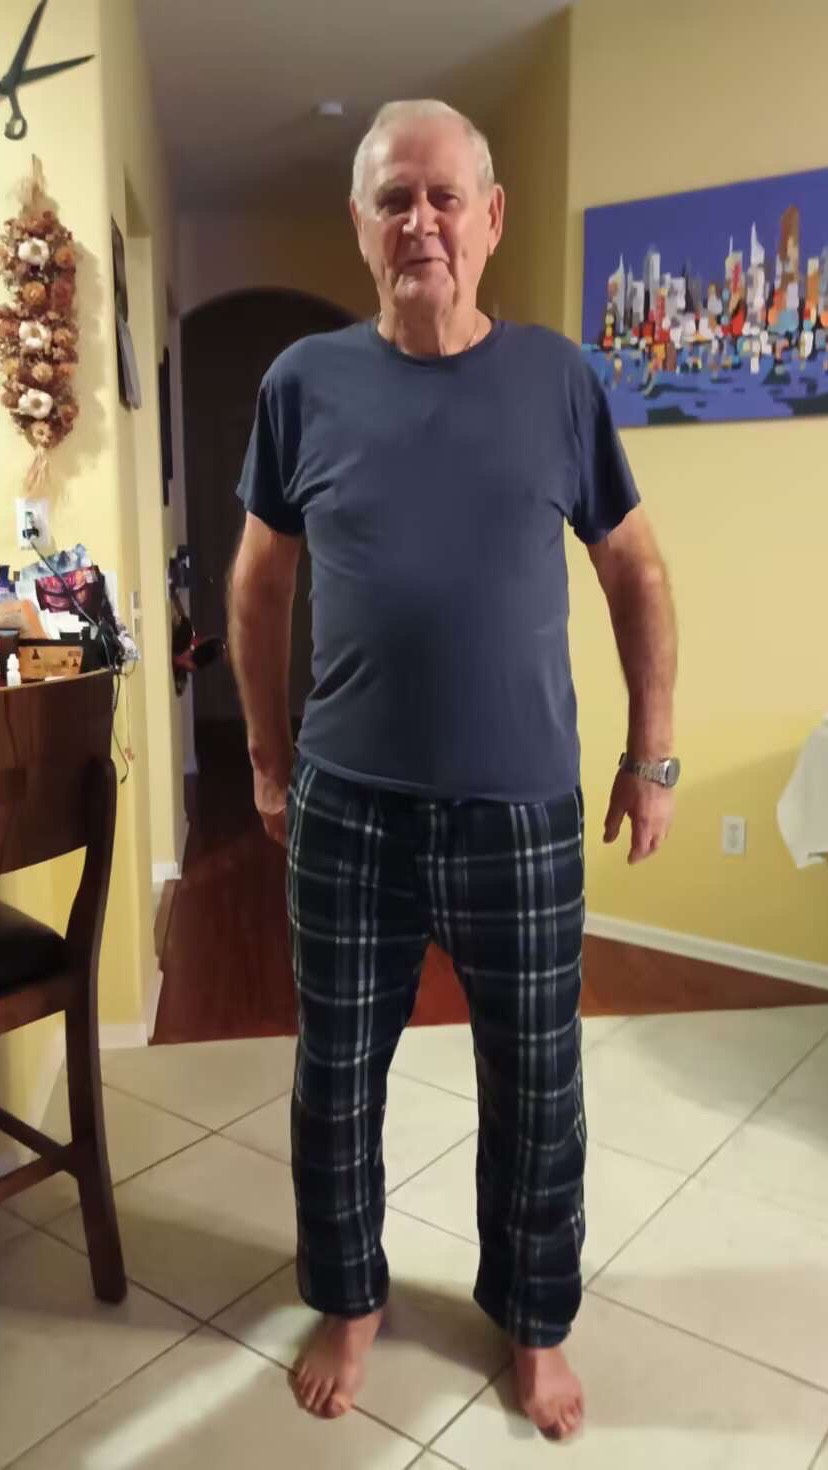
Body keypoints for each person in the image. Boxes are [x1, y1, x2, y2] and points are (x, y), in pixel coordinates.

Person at [228, 99, 678, 1442]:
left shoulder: (559, 380)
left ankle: (534, 1321)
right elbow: (257, 588)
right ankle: (348, 1299)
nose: (419, 220)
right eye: (393, 198)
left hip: (521, 811)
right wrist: (266, 756)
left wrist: (652, 754)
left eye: (442, 196)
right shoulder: (303, 382)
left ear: (489, 219)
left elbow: (636, 569)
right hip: (348, 808)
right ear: (361, 226)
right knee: (336, 1076)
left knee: (539, 1087)